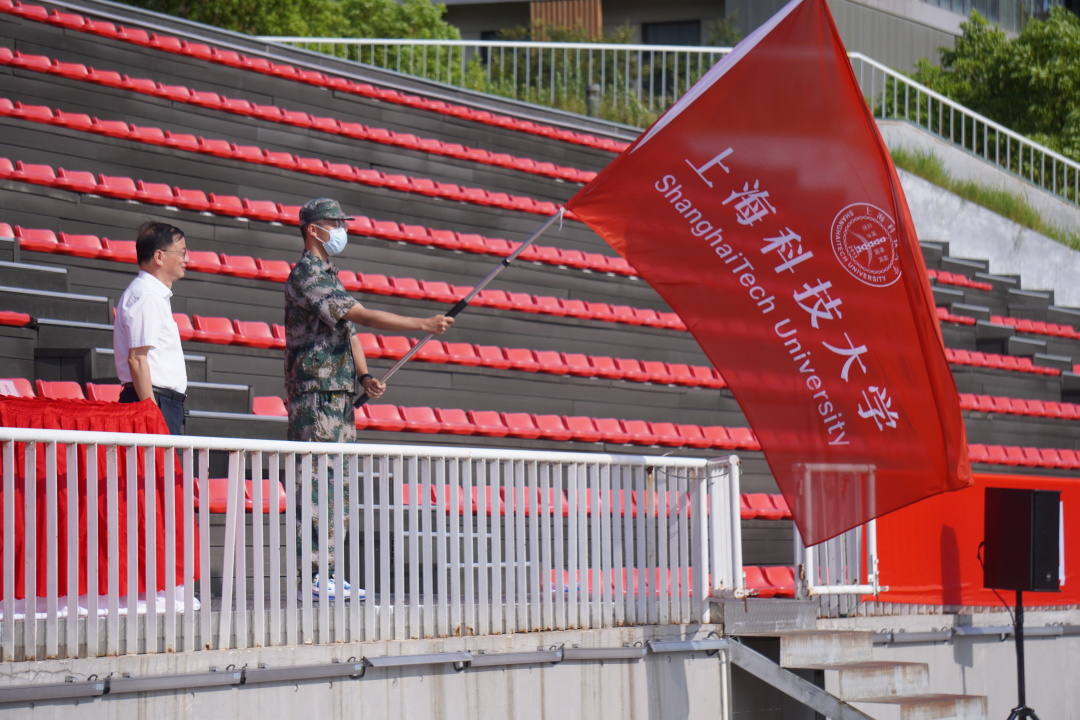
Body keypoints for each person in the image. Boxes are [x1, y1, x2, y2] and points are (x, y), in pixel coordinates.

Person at [285, 198, 453, 597]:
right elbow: (360, 315)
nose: (341, 230)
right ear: (313, 229)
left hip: (338, 392)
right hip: (316, 393)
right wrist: (420, 323)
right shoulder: (308, 274)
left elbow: (350, 334)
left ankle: (327, 572)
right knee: (317, 484)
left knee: (336, 485)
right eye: (335, 223)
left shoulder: (330, 275)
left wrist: (364, 376)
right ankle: (313, 575)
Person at [114, 221, 189, 435]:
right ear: (159, 256)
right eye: (181, 252)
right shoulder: (147, 295)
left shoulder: (152, 294)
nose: (186, 259)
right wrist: (151, 412)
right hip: (153, 401)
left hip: (159, 402)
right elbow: (137, 358)